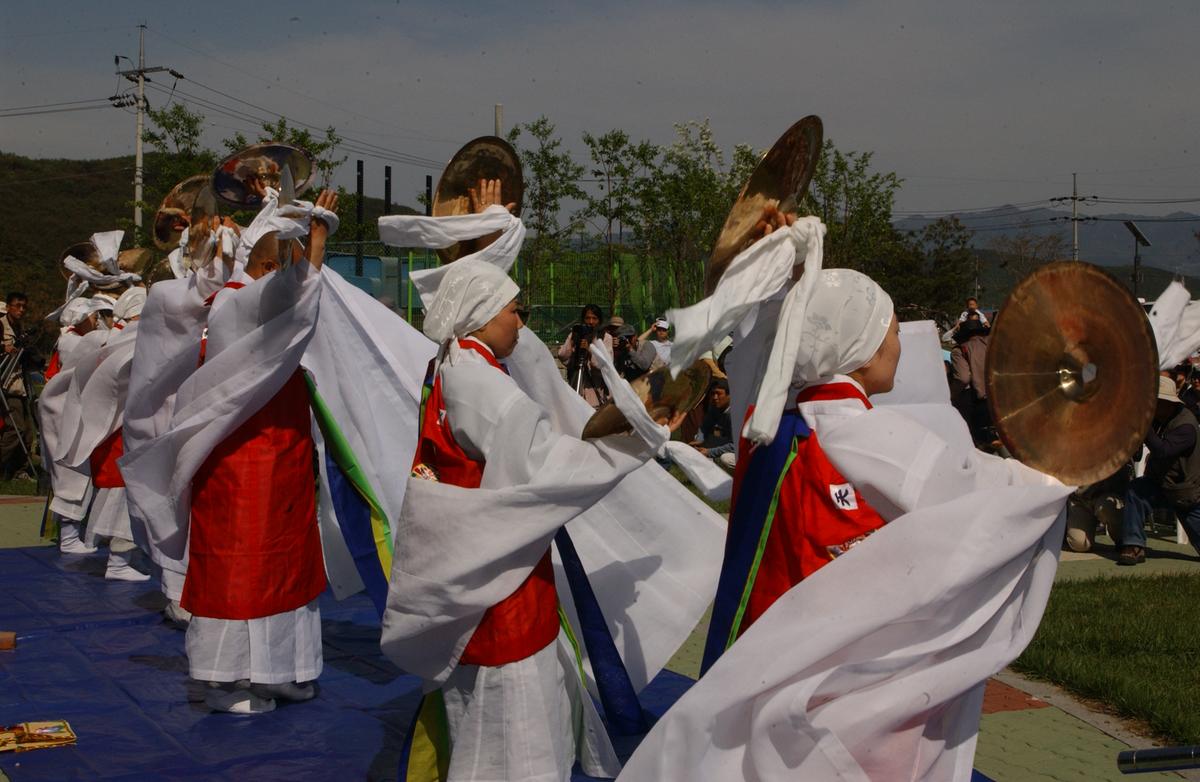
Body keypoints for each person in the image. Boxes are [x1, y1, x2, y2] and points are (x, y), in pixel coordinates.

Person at [624, 209, 1073, 780]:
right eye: (889, 330)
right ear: (858, 345)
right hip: (836, 685)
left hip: (760, 656)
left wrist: (786, 280)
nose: (899, 343)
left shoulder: (772, 422)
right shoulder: (860, 431)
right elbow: (979, 498)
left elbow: (771, 348)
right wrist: (1061, 473)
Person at [379, 180, 688, 782]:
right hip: (499, 584)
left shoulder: (450, 364)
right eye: (514, 309)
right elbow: (547, 470)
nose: (522, 319)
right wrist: (636, 439)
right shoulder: (482, 384)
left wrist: (489, 234)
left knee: (488, 706)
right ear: (481, 314)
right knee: (512, 723)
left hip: (470, 569)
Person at [1116, 375, 1200, 566]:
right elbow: (1137, 454)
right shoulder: (1158, 419)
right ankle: (1133, 545)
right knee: (1136, 490)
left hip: (1186, 494)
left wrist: (1144, 427)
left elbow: (1163, 451)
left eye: (1157, 402)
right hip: (1161, 485)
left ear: (1169, 403)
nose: (1152, 406)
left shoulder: (1186, 425)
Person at [1, 291, 35, 479]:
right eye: (17, 306)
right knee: (16, 428)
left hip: (19, 384)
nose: (21, 310)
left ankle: (18, 470)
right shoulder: (1, 325)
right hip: (5, 383)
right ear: (8, 307)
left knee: (28, 433)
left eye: (24, 306)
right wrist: (3, 347)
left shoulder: (20, 328)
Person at [1064, 463, 1131, 553]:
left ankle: (1123, 539)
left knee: (1106, 508)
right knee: (1079, 545)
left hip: (1107, 495)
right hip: (1080, 499)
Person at [949, 311, 993, 446]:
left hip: (976, 403)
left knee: (976, 444)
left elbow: (963, 378)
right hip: (999, 400)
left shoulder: (959, 350)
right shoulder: (994, 346)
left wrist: (950, 395)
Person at [557, 303, 610, 407]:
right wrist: (573, 338)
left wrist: (590, 349)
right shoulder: (577, 335)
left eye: (594, 318)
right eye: (587, 318)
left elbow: (604, 365)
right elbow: (562, 356)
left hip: (595, 394)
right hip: (576, 390)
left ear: (599, 321)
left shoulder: (605, 338)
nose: (591, 322)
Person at [691, 379, 735, 470]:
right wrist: (699, 439)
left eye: (718, 394)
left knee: (726, 458)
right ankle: (708, 471)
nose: (715, 397)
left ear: (729, 395)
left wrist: (710, 452)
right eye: (713, 393)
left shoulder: (736, 413)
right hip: (730, 441)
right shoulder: (715, 407)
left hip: (747, 451)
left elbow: (735, 446)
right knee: (702, 441)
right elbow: (705, 426)